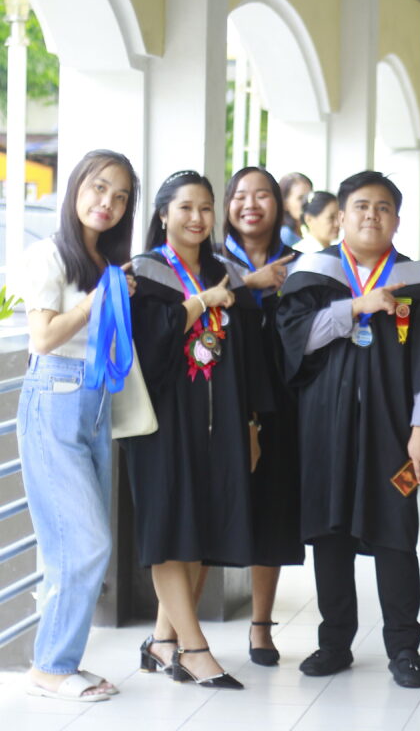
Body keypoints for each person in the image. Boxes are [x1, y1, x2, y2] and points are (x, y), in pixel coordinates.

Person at [276, 171, 420, 688]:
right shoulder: (314, 274)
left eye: (383, 208)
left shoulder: (416, 281)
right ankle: (334, 643)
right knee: (329, 531)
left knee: (395, 532)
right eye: (361, 206)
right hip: (324, 428)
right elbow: (296, 342)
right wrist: (356, 305)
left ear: (397, 219)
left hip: (395, 432)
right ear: (341, 216)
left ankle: (403, 647)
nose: (371, 215)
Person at [126, 170, 268, 690]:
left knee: (201, 526)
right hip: (162, 424)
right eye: (185, 207)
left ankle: (163, 640)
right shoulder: (143, 274)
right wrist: (201, 302)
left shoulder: (226, 273)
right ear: (163, 214)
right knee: (169, 527)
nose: (197, 217)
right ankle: (195, 649)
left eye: (206, 207)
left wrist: (251, 424)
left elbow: (250, 359)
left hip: (221, 421)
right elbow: (148, 349)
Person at [15, 150, 139, 702]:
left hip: (94, 402)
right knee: (86, 542)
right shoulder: (48, 254)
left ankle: (59, 662)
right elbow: (42, 338)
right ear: (75, 187)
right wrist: (96, 303)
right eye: (99, 188)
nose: (107, 202)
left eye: (121, 196)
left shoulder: (105, 262)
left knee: (72, 544)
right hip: (55, 397)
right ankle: (51, 667)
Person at [222, 166, 303, 666]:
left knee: (272, 511)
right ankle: (174, 630)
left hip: (284, 401)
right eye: (240, 195)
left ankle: (261, 626)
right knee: (211, 509)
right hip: (222, 399)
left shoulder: (300, 264)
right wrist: (247, 283)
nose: (250, 205)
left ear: (279, 204)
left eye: (262, 196)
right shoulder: (210, 263)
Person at [279, 172, 313, 247]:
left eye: (309, 197)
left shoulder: (309, 231)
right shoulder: (285, 235)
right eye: (300, 198)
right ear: (285, 204)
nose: (306, 202)